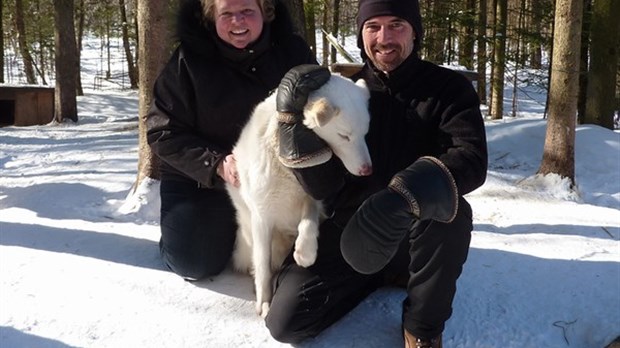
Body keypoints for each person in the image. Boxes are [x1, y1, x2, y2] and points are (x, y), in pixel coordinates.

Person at [264, 0, 488, 347]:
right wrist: (297, 140)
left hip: (415, 232)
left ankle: (422, 328)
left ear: (415, 32)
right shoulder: (343, 92)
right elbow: (325, 188)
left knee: (452, 212)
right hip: (350, 232)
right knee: (287, 323)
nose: (384, 37)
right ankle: (369, 277)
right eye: (373, 26)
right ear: (361, 34)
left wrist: (404, 195)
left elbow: (471, 159)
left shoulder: (448, 89)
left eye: (397, 24)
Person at [145, 0, 317, 281]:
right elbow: (161, 130)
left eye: (247, 11)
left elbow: (317, 104)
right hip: (203, 179)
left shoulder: (292, 51)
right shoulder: (187, 60)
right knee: (194, 262)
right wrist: (216, 164)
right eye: (227, 14)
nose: (238, 21)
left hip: (275, 176)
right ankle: (179, 236)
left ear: (266, 12)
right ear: (211, 16)